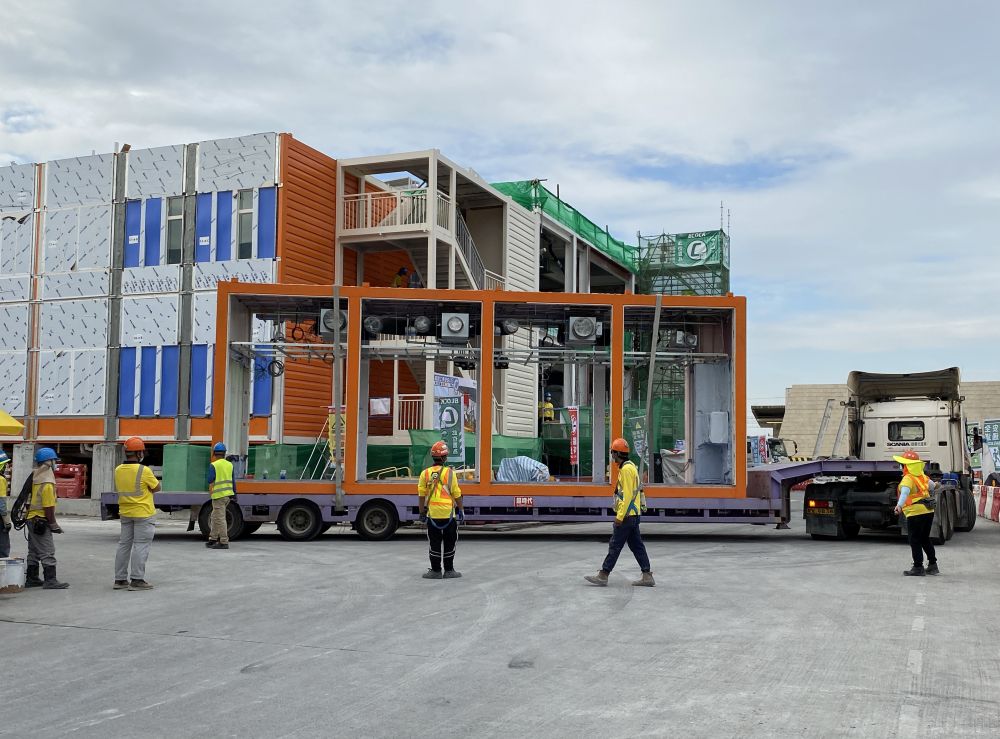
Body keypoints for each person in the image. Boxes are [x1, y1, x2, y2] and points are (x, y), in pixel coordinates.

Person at [585, 438, 655, 587]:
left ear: (617, 453)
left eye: (612, 452)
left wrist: (620, 516)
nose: (612, 455)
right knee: (637, 546)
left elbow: (628, 495)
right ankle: (647, 575)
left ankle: (603, 574)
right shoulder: (630, 467)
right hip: (633, 514)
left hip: (627, 516)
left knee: (615, 545)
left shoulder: (626, 470)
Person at [113, 437, 161, 590]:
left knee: (124, 545)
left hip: (125, 512)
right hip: (143, 513)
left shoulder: (118, 469)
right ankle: (137, 580)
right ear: (140, 452)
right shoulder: (144, 470)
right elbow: (157, 487)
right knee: (140, 546)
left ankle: (120, 580)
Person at [418, 441, 464, 579]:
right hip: (449, 515)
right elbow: (457, 493)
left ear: (433, 457)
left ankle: (436, 571)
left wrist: (421, 513)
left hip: (433, 515)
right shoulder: (450, 473)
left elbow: (421, 495)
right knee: (450, 542)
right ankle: (449, 570)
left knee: (434, 543)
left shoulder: (425, 474)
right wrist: (461, 510)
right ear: (444, 458)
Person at [25, 447, 68, 589]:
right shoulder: (48, 482)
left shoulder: (35, 477)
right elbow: (48, 506)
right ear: (49, 462)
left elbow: (27, 500)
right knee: (47, 551)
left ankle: (32, 578)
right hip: (40, 521)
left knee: (34, 551)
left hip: (31, 519)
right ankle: (50, 580)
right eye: (54, 460)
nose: (56, 463)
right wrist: (53, 524)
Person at [893, 449, 939, 576]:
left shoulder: (908, 478)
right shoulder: (923, 476)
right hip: (928, 510)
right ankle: (933, 565)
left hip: (915, 513)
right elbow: (932, 486)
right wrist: (936, 484)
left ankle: (918, 567)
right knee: (925, 538)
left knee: (915, 540)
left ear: (905, 466)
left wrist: (899, 506)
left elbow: (905, 493)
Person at [206, 442, 235, 550]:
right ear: (224, 453)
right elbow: (233, 481)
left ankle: (223, 541)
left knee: (220, 518)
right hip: (227, 496)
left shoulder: (214, 465)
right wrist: (234, 494)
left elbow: (210, 479)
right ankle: (212, 539)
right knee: (215, 517)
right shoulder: (230, 465)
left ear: (214, 453)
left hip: (218, 496)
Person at [0, 449, 11, 558]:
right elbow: (1, 504)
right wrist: (7, 522)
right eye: (4, 465)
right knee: (3, 546)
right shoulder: (1, 480)